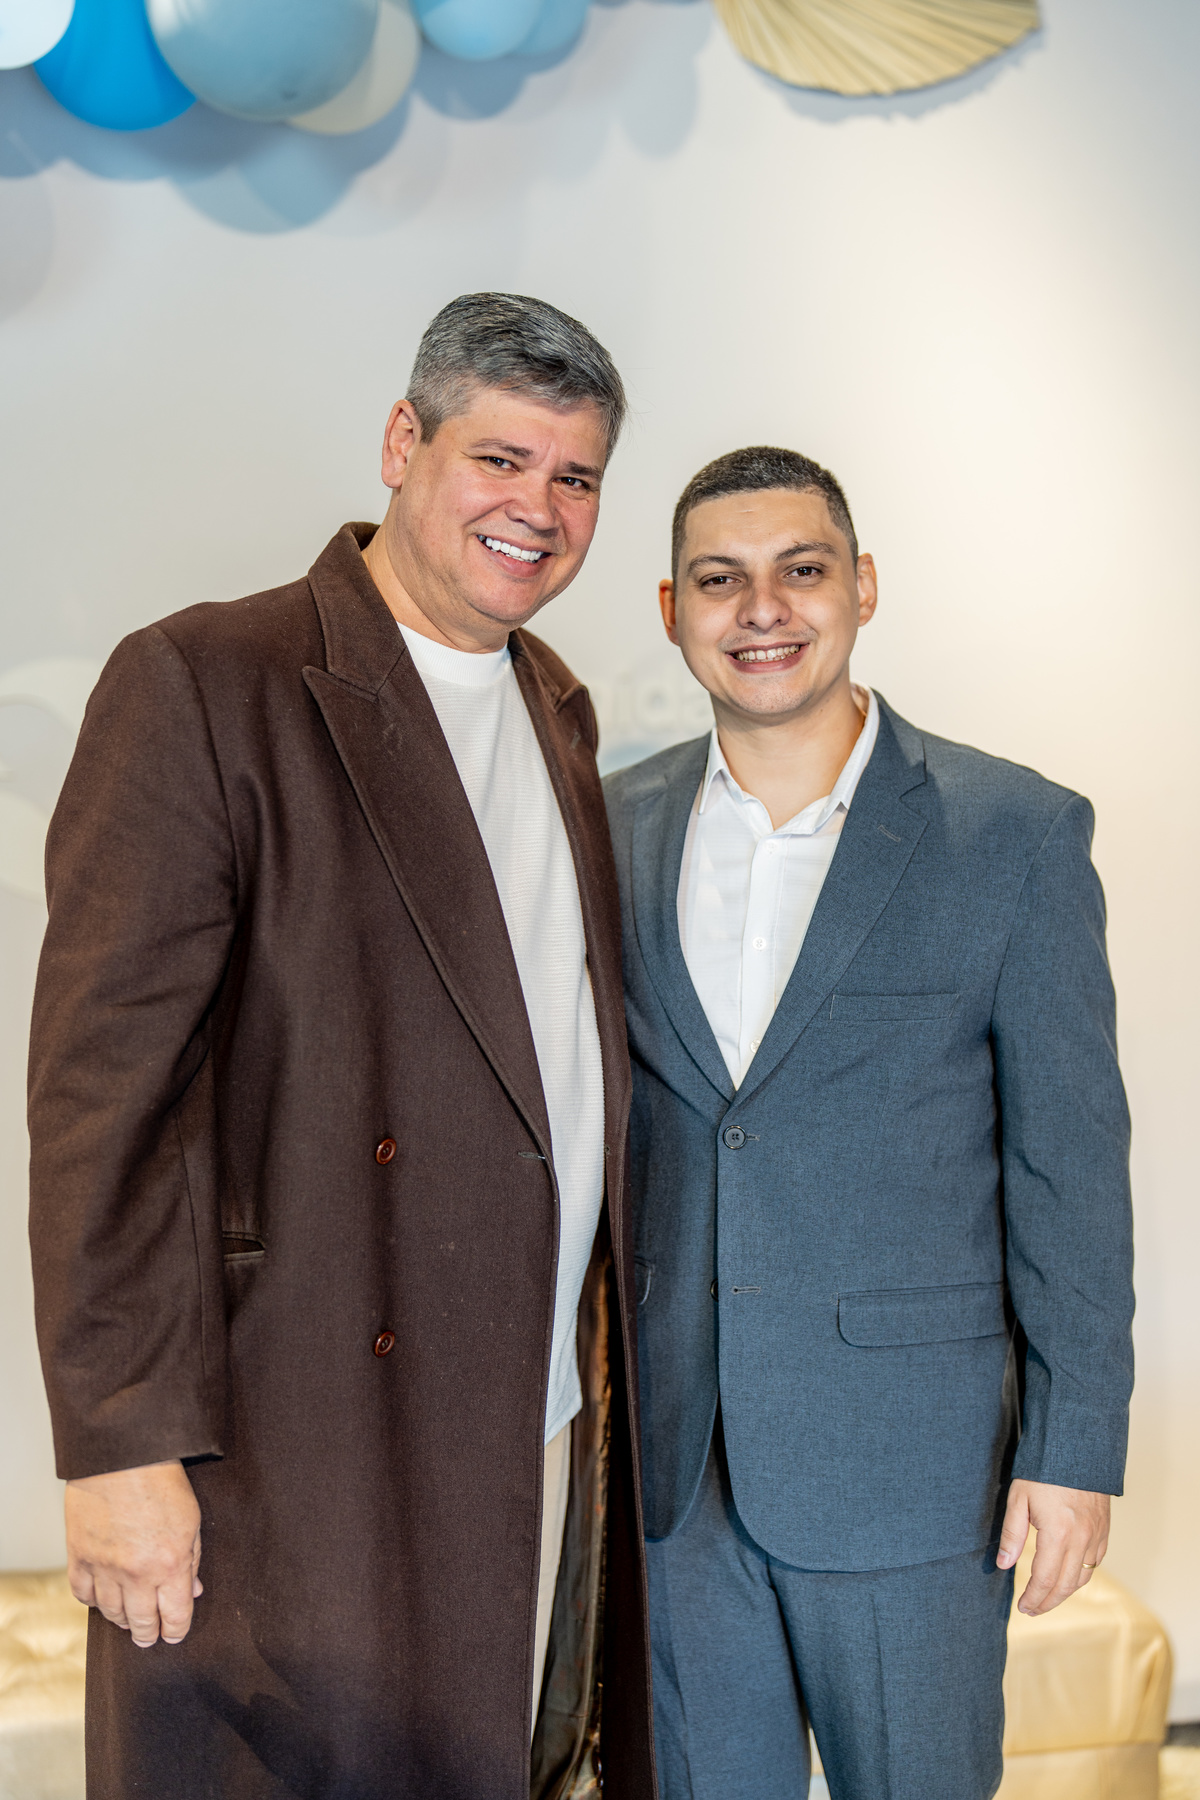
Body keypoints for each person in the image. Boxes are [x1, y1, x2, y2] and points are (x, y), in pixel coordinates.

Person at [28, 293, 654, 1800]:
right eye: (499, 458)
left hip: (520, 1411)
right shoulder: (206, 680)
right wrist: (115, 1447)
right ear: (400, 441)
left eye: (575, 477)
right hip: (287, 1421)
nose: (538, 508)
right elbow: (103, 1096)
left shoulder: (556, 708)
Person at [603, 445, 1135, 1800]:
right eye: (718, 580)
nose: (761, 609)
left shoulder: (1013, 833)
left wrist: (1074, 1448)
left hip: (913, 1469)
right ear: (670, 610)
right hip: (674, 1475)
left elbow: (1070, 1169)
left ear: (865, 587)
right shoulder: (607, 828)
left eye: (802, 570)